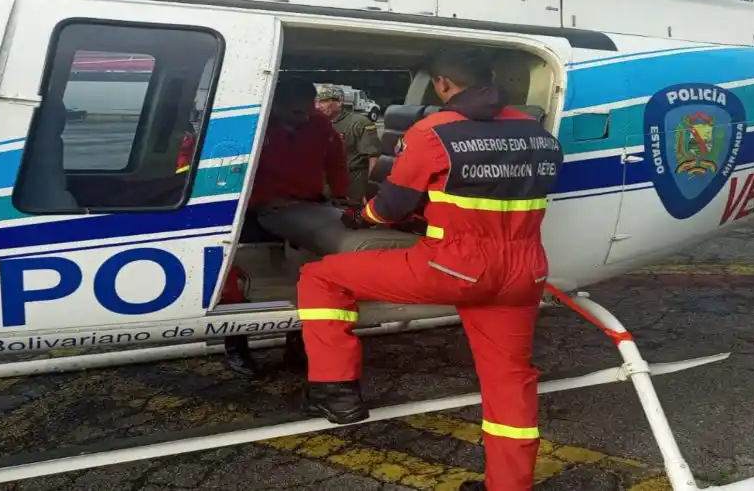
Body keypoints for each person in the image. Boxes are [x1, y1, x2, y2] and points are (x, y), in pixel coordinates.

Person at [295, 47, 564, 491]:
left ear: (442, 84)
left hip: (453, 266)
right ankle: (510, 486)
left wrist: (361, 216)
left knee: (321, 276)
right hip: (524, 271)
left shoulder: (435, 131)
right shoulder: (537, 133)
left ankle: (334, 389)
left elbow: (390, 208)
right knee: (510, 380)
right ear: (490, 79)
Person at [218, 75, 351, 377]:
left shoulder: (319, 125)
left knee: (306, 276)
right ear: (275, 104)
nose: (304, 116)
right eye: (295, 111)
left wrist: (340, 196)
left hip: (306, 207)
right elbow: (232, 169)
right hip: (256, 211)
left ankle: (297, 344)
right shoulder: (254, 125)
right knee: (241, 281)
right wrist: (261, 201)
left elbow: (336, 161)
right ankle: (237, 346)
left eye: (308, 109)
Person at [315, 84, 383, 204]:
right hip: (325, 180)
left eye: (324, 101)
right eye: (316, 101)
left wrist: (367, 190)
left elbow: (373, 158)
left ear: (339, 102)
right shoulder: (316, 123)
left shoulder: (359, 123)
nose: (318, 106)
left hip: (352, 181)